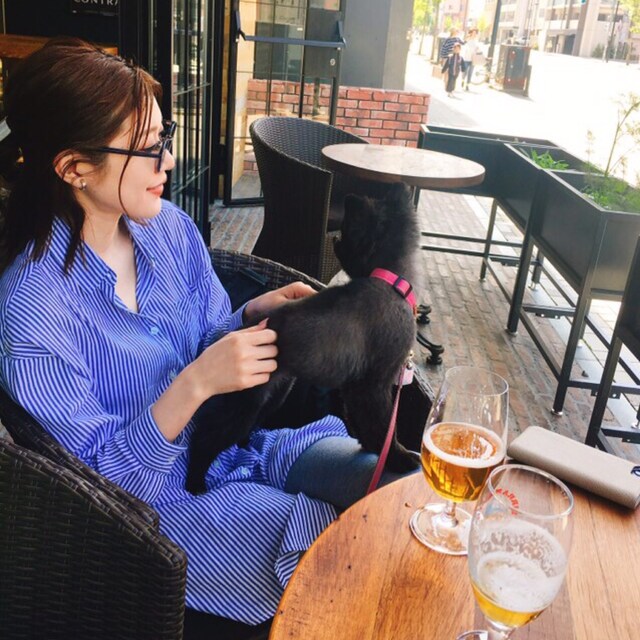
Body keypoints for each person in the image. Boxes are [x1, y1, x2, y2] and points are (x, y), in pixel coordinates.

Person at [0, 38, 412, 630]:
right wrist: (193, 386)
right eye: (147, 148)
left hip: (238, 445)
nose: (168, 161)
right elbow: (97, 489)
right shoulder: (33, 313)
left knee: (397, 486)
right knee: (350, 553)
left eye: (164, 137)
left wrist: (247, 318)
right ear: (73, 168)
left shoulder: (167, 230)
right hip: (161, 512)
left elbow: (205, 336)